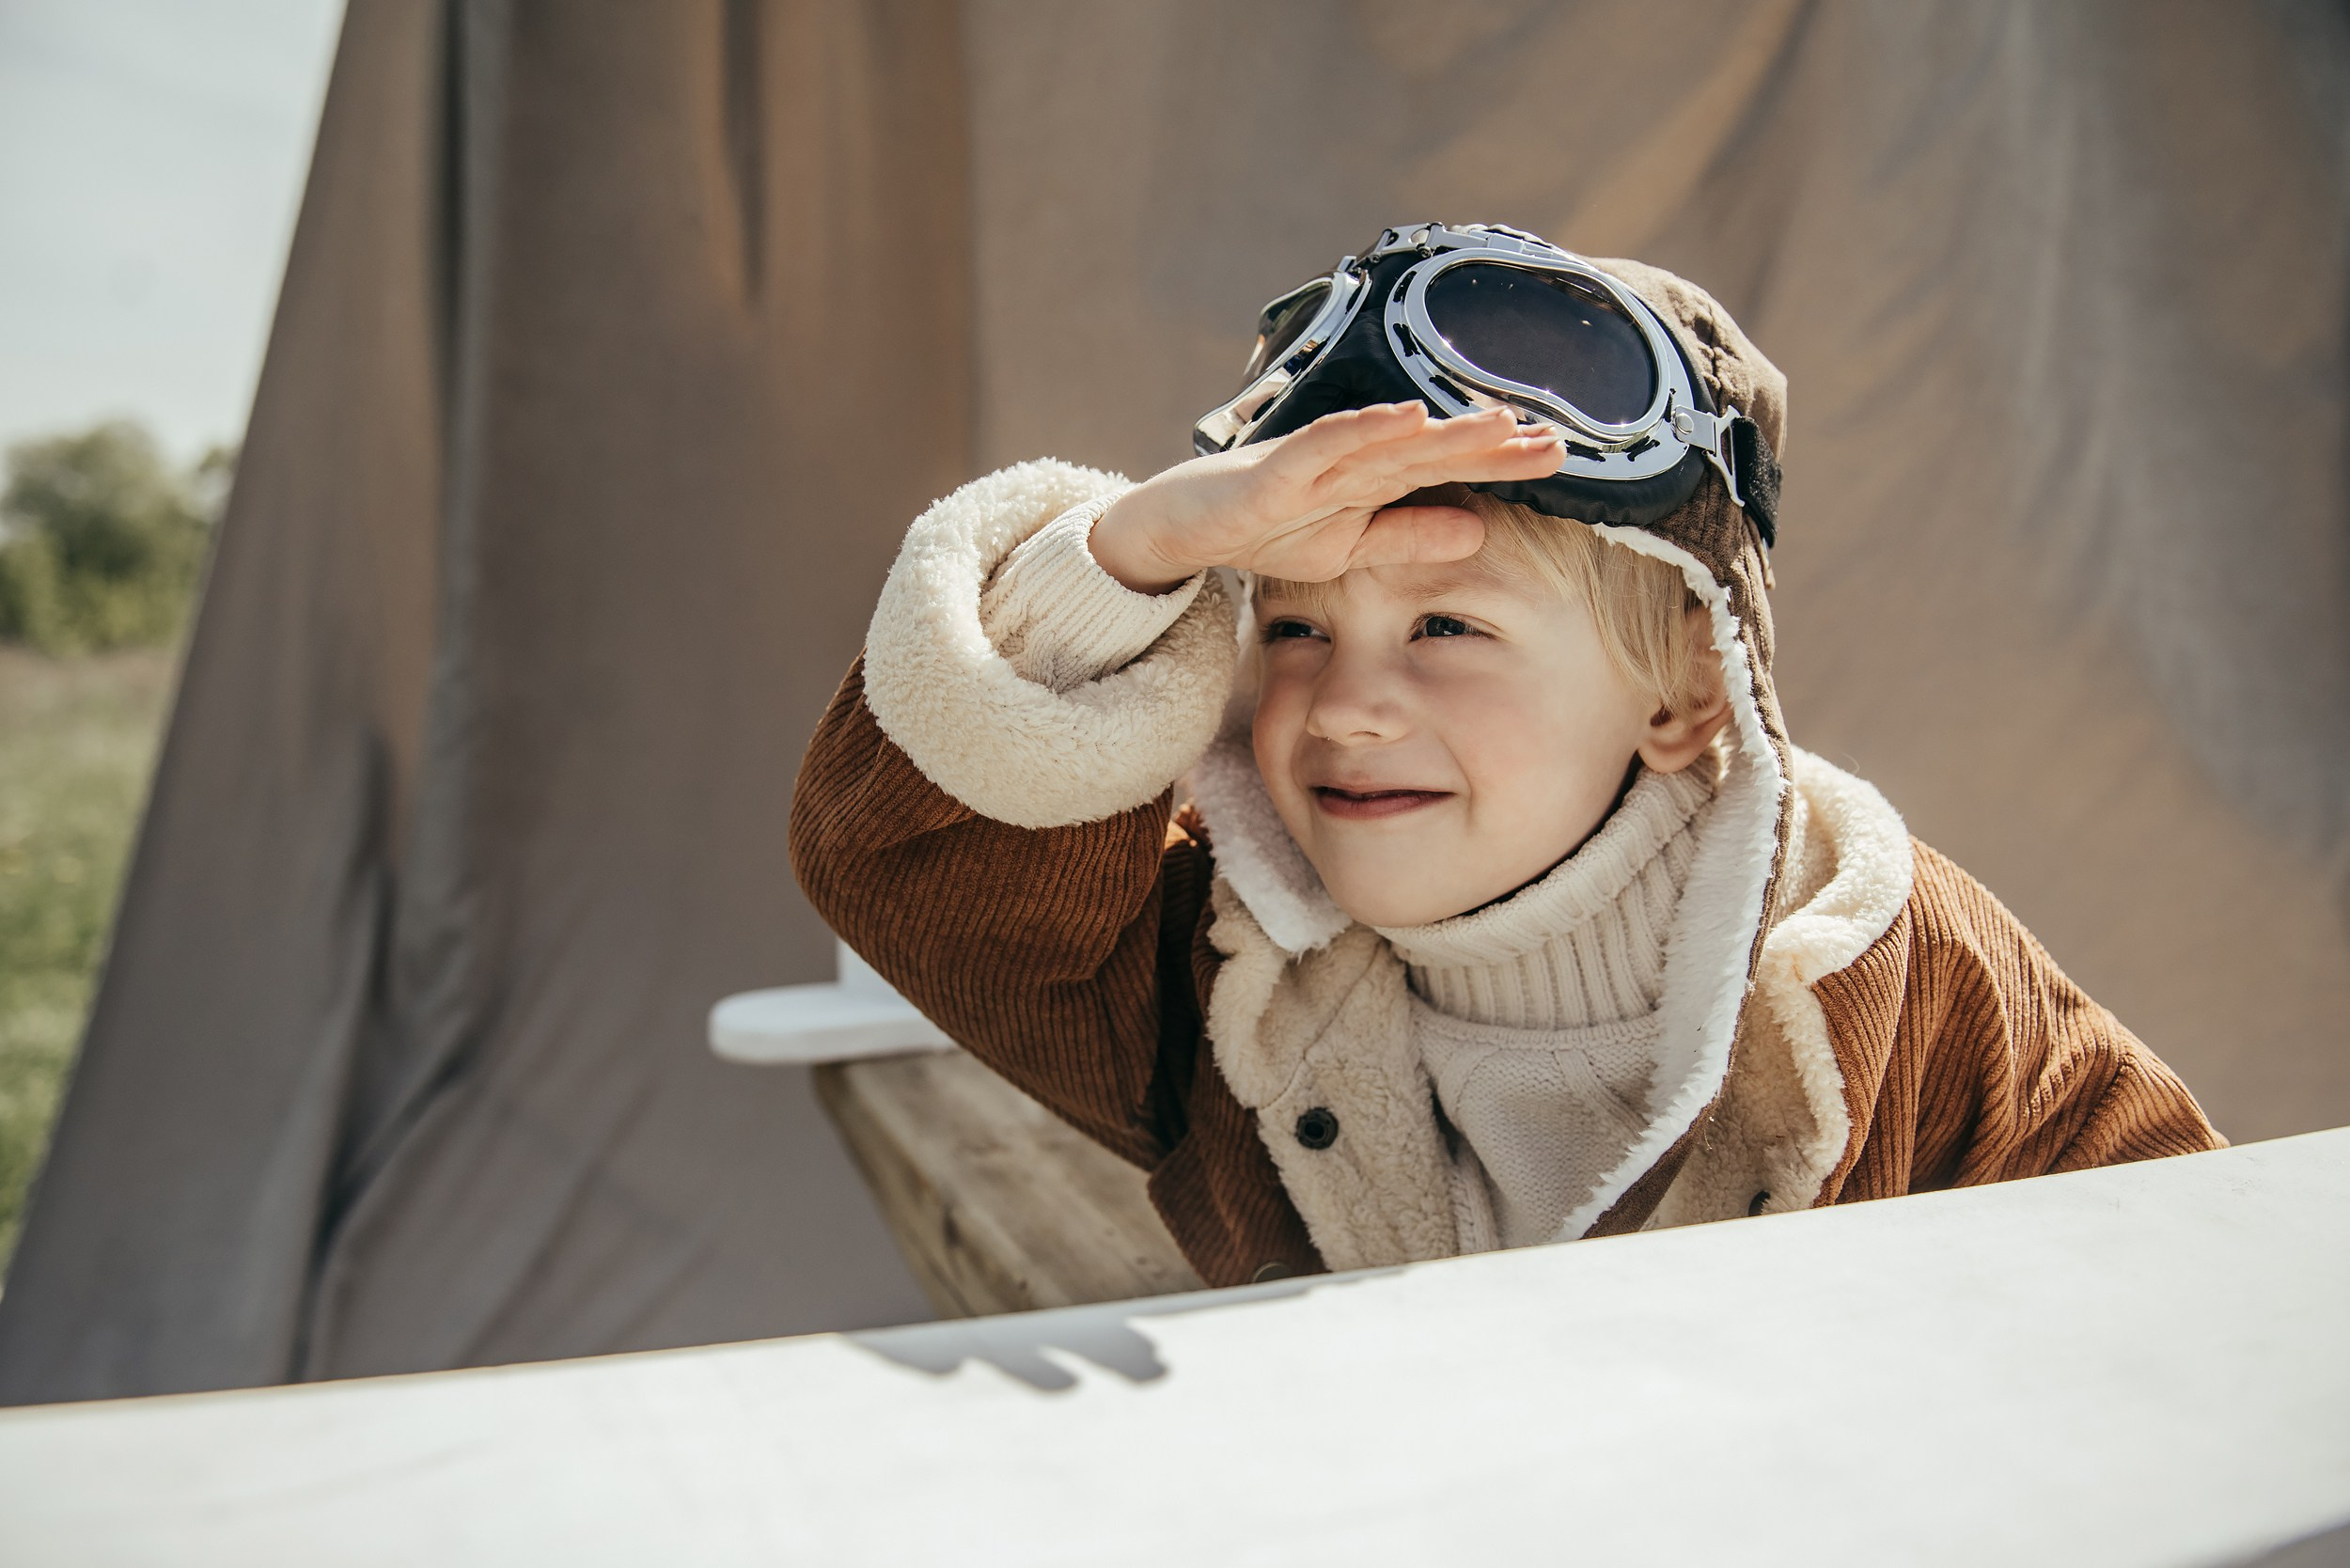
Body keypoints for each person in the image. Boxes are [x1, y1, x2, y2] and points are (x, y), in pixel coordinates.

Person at [791, 224, 2219, 1288]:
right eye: (1292, 629)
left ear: (1688, 699)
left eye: (1448, 626)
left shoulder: (1892, 973)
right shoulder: (1230, 981)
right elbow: (910, 866)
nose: (1348, 705)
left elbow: (2194, 1285)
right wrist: (1134, 556)